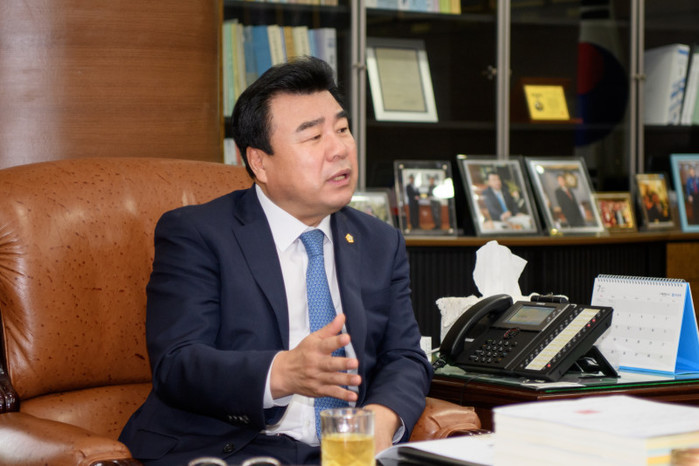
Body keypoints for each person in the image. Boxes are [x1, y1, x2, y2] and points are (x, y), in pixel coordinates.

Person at [118, 57, 432, 465]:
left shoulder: (379, 241)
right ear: (259, 162)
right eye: (313, 136)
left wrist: (381, 418)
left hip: (339, 453)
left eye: (342, 129)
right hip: (227, 450)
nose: (340, 149)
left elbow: (404, 356)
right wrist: (283, 373)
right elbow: (177, 365)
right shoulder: (197, 233)